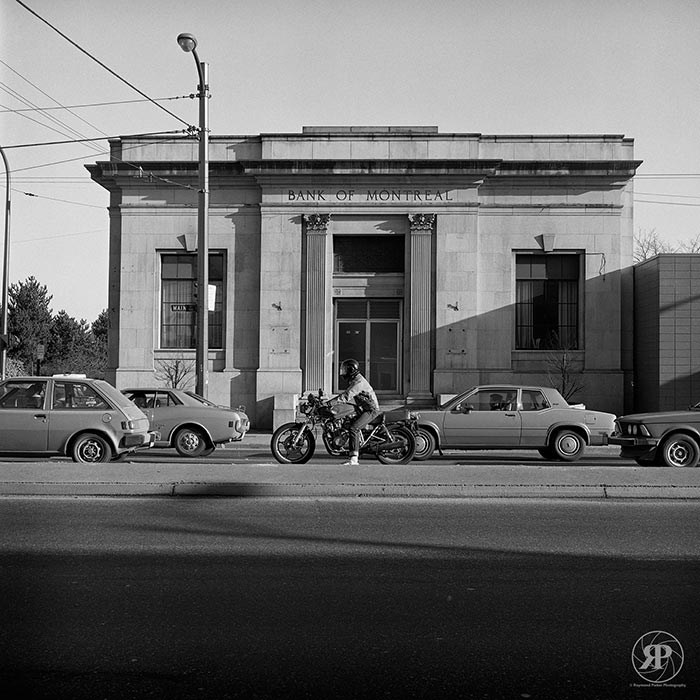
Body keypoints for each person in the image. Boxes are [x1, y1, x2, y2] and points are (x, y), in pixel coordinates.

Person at [335, 358, 380, 466]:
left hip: (371, 410)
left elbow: (346, 396)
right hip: (364, 408)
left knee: (354, 428)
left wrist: (328, 403)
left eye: (345, 370)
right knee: (347, 421)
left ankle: (354, 459)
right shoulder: (354, 380)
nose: (343, 372)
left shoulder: (359, 382)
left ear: (351, 370)